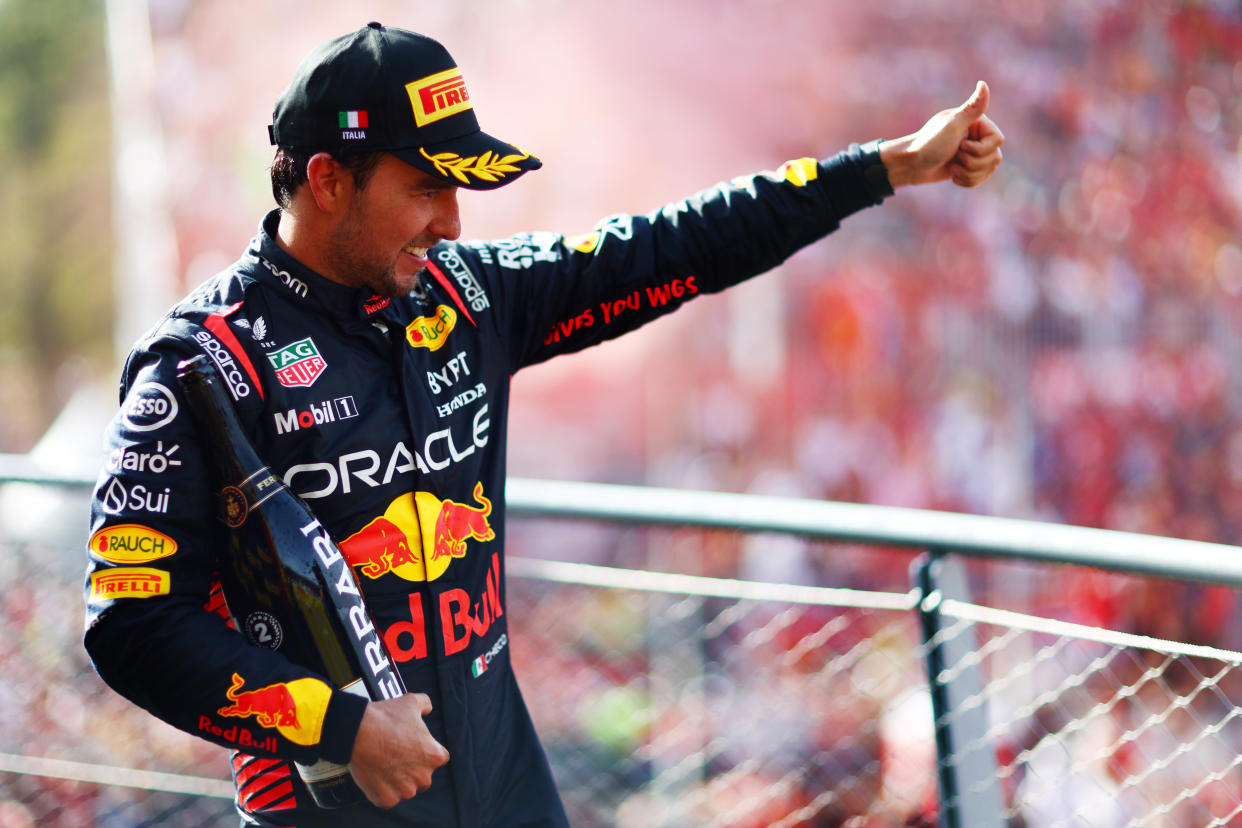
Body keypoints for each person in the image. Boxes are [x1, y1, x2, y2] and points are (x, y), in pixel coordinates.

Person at [82, 21, 1003, 828]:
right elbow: (129, 623)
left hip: (510, 786)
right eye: (424, 188)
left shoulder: (472, 295)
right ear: (327, 179)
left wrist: (884, 168)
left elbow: (680, 241)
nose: (452, 221)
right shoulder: (198, 367)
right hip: (329, 806)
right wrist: (338, 726)